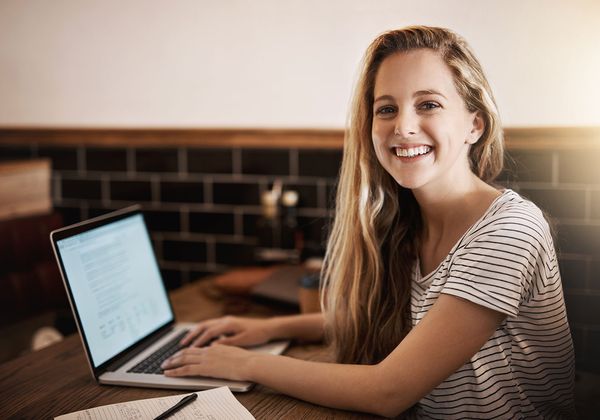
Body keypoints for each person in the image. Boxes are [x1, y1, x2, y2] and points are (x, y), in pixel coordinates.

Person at [161, 26, 575, 418]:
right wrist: (267, 328)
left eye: (428, 104)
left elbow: (388, 391)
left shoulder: (509, 229)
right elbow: (413, 323)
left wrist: (245, 365)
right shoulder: (409, 222)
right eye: (387, 109)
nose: (403, 127)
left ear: (474, 123)